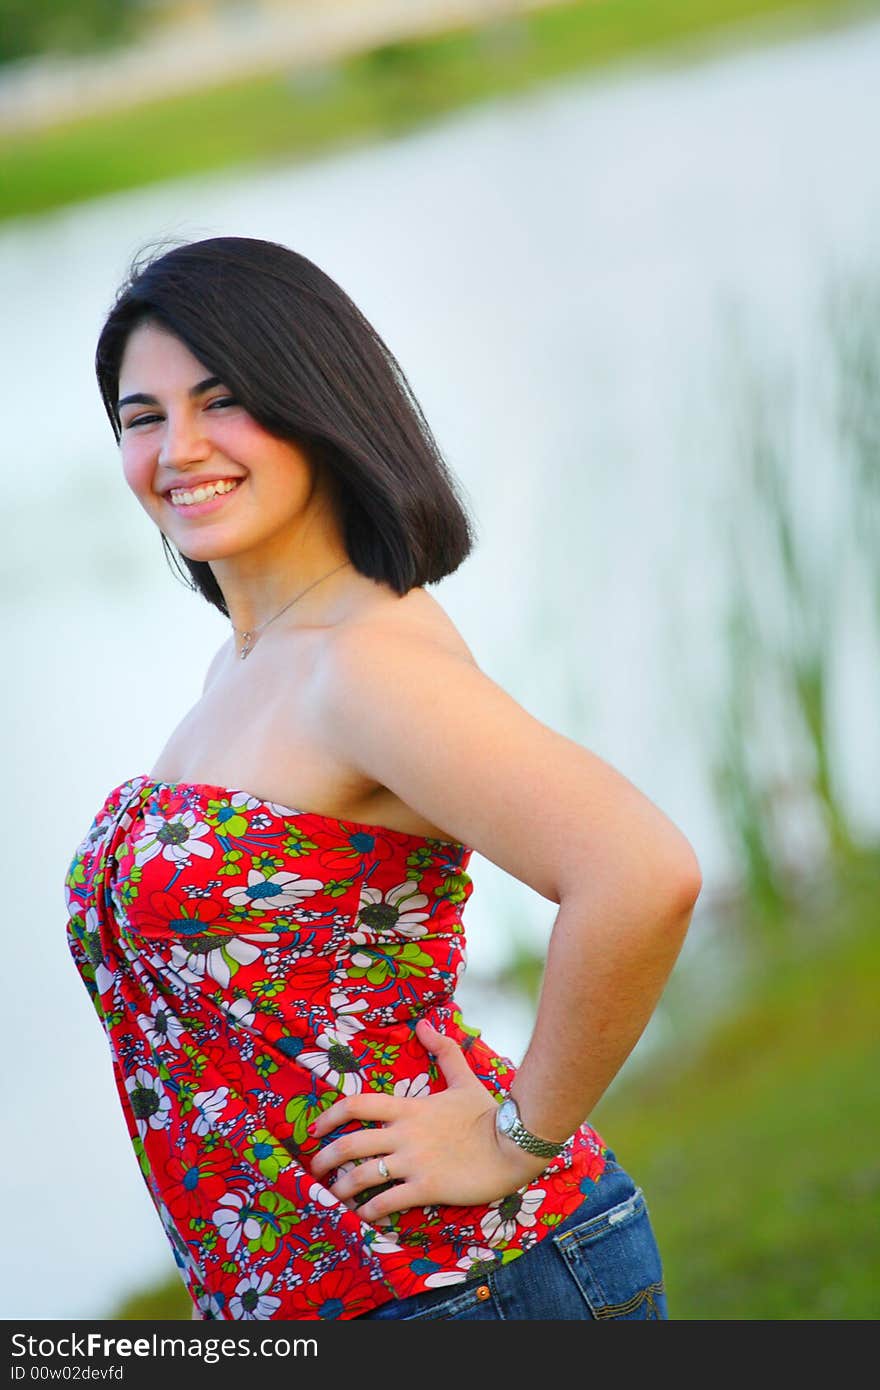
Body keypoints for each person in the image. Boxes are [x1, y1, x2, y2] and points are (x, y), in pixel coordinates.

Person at [64, 235, 702, 1322]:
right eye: (142, 416)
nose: (178, 448)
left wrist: (516, 1137)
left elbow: (640, 871)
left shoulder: (364, 665)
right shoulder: (250, 662)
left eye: (221, 402)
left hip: (462, 1282)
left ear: (313, 405)